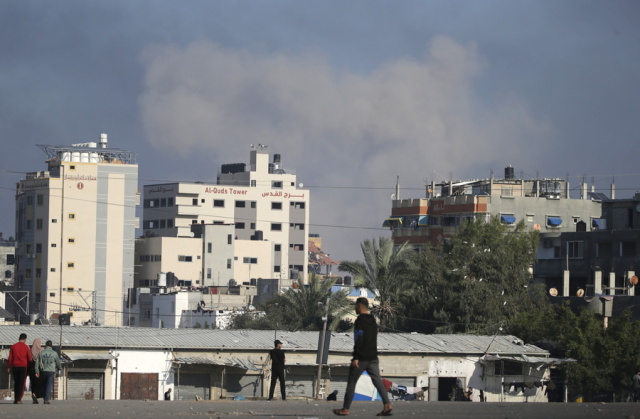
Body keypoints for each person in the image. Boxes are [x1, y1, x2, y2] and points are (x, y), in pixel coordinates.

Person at [333, 297, 392, 417]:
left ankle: (345, 408)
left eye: (355, 306)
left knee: (352, 382)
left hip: (361, 358)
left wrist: (356, 357)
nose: (355, 308)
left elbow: (358, 339)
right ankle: (387, 404)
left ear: (359, 306)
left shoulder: (360, 321)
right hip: (373, 357)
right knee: (377, 381)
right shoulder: (373, 320)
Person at [8, 333, 33, 404]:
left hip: (15, 366)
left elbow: (10, 358)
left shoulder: (13, 347)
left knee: (16, 383)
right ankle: (19, 399)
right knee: (21, 383)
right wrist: (30, 367)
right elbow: (29, 358)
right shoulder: (26, 347)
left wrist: (8, 366)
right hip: (23, 366)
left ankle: (16, 398)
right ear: (25, 339)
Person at [35, 340, 61, 404]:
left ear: (45, 345)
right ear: (51, 345)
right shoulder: (54, 353)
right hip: (51, 371)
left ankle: (42, 396)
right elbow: (58, 362)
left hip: (43, 371)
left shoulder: (41, 352)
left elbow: (37, 362)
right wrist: (59, 368)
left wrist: (36, 371)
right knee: (49, 385)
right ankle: (46, 399)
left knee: (43, 385)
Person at [28, 338, 43, 404]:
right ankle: (36, 395)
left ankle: (33, 394)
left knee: (33, 383)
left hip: (31, 369)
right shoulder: (41, 350)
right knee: (38, 382)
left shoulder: (30, 350)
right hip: (38, 369)